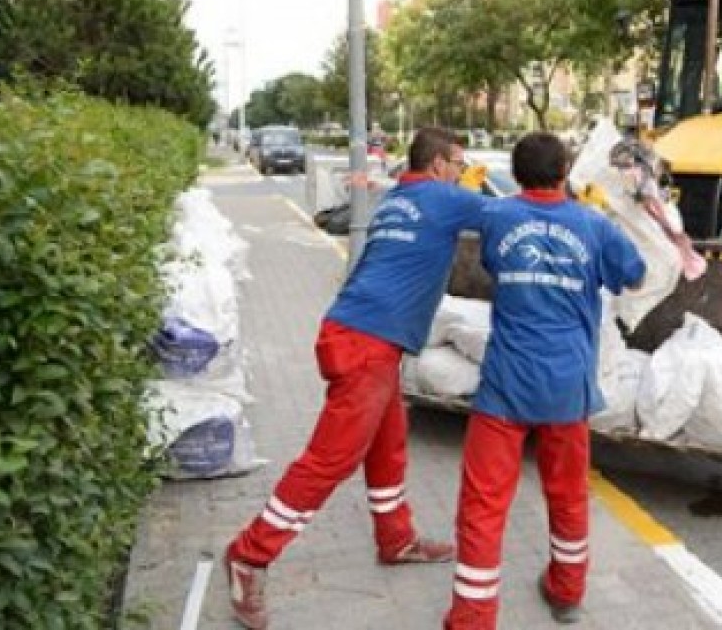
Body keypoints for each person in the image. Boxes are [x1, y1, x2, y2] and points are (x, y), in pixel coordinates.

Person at [224, 127, 487, 630]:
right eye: (458, 163)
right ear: (437, 165)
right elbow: (515, 212)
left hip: (355, 331)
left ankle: (396, 539)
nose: (462, 172)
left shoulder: (398, 198)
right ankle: (248, 556)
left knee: (388, 447)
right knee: (328, 461)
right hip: (368, 343)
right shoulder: (442, 197)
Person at [443, 133, 646, 629]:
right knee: (569, 494)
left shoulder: (498, 217)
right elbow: (635, 275)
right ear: (564, 173)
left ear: (517, 174)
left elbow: (490, 263)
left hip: (506, 386)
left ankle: (472, 617)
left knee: (483, 504)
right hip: (567, 387)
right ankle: (566, 591)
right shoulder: (594, 226)